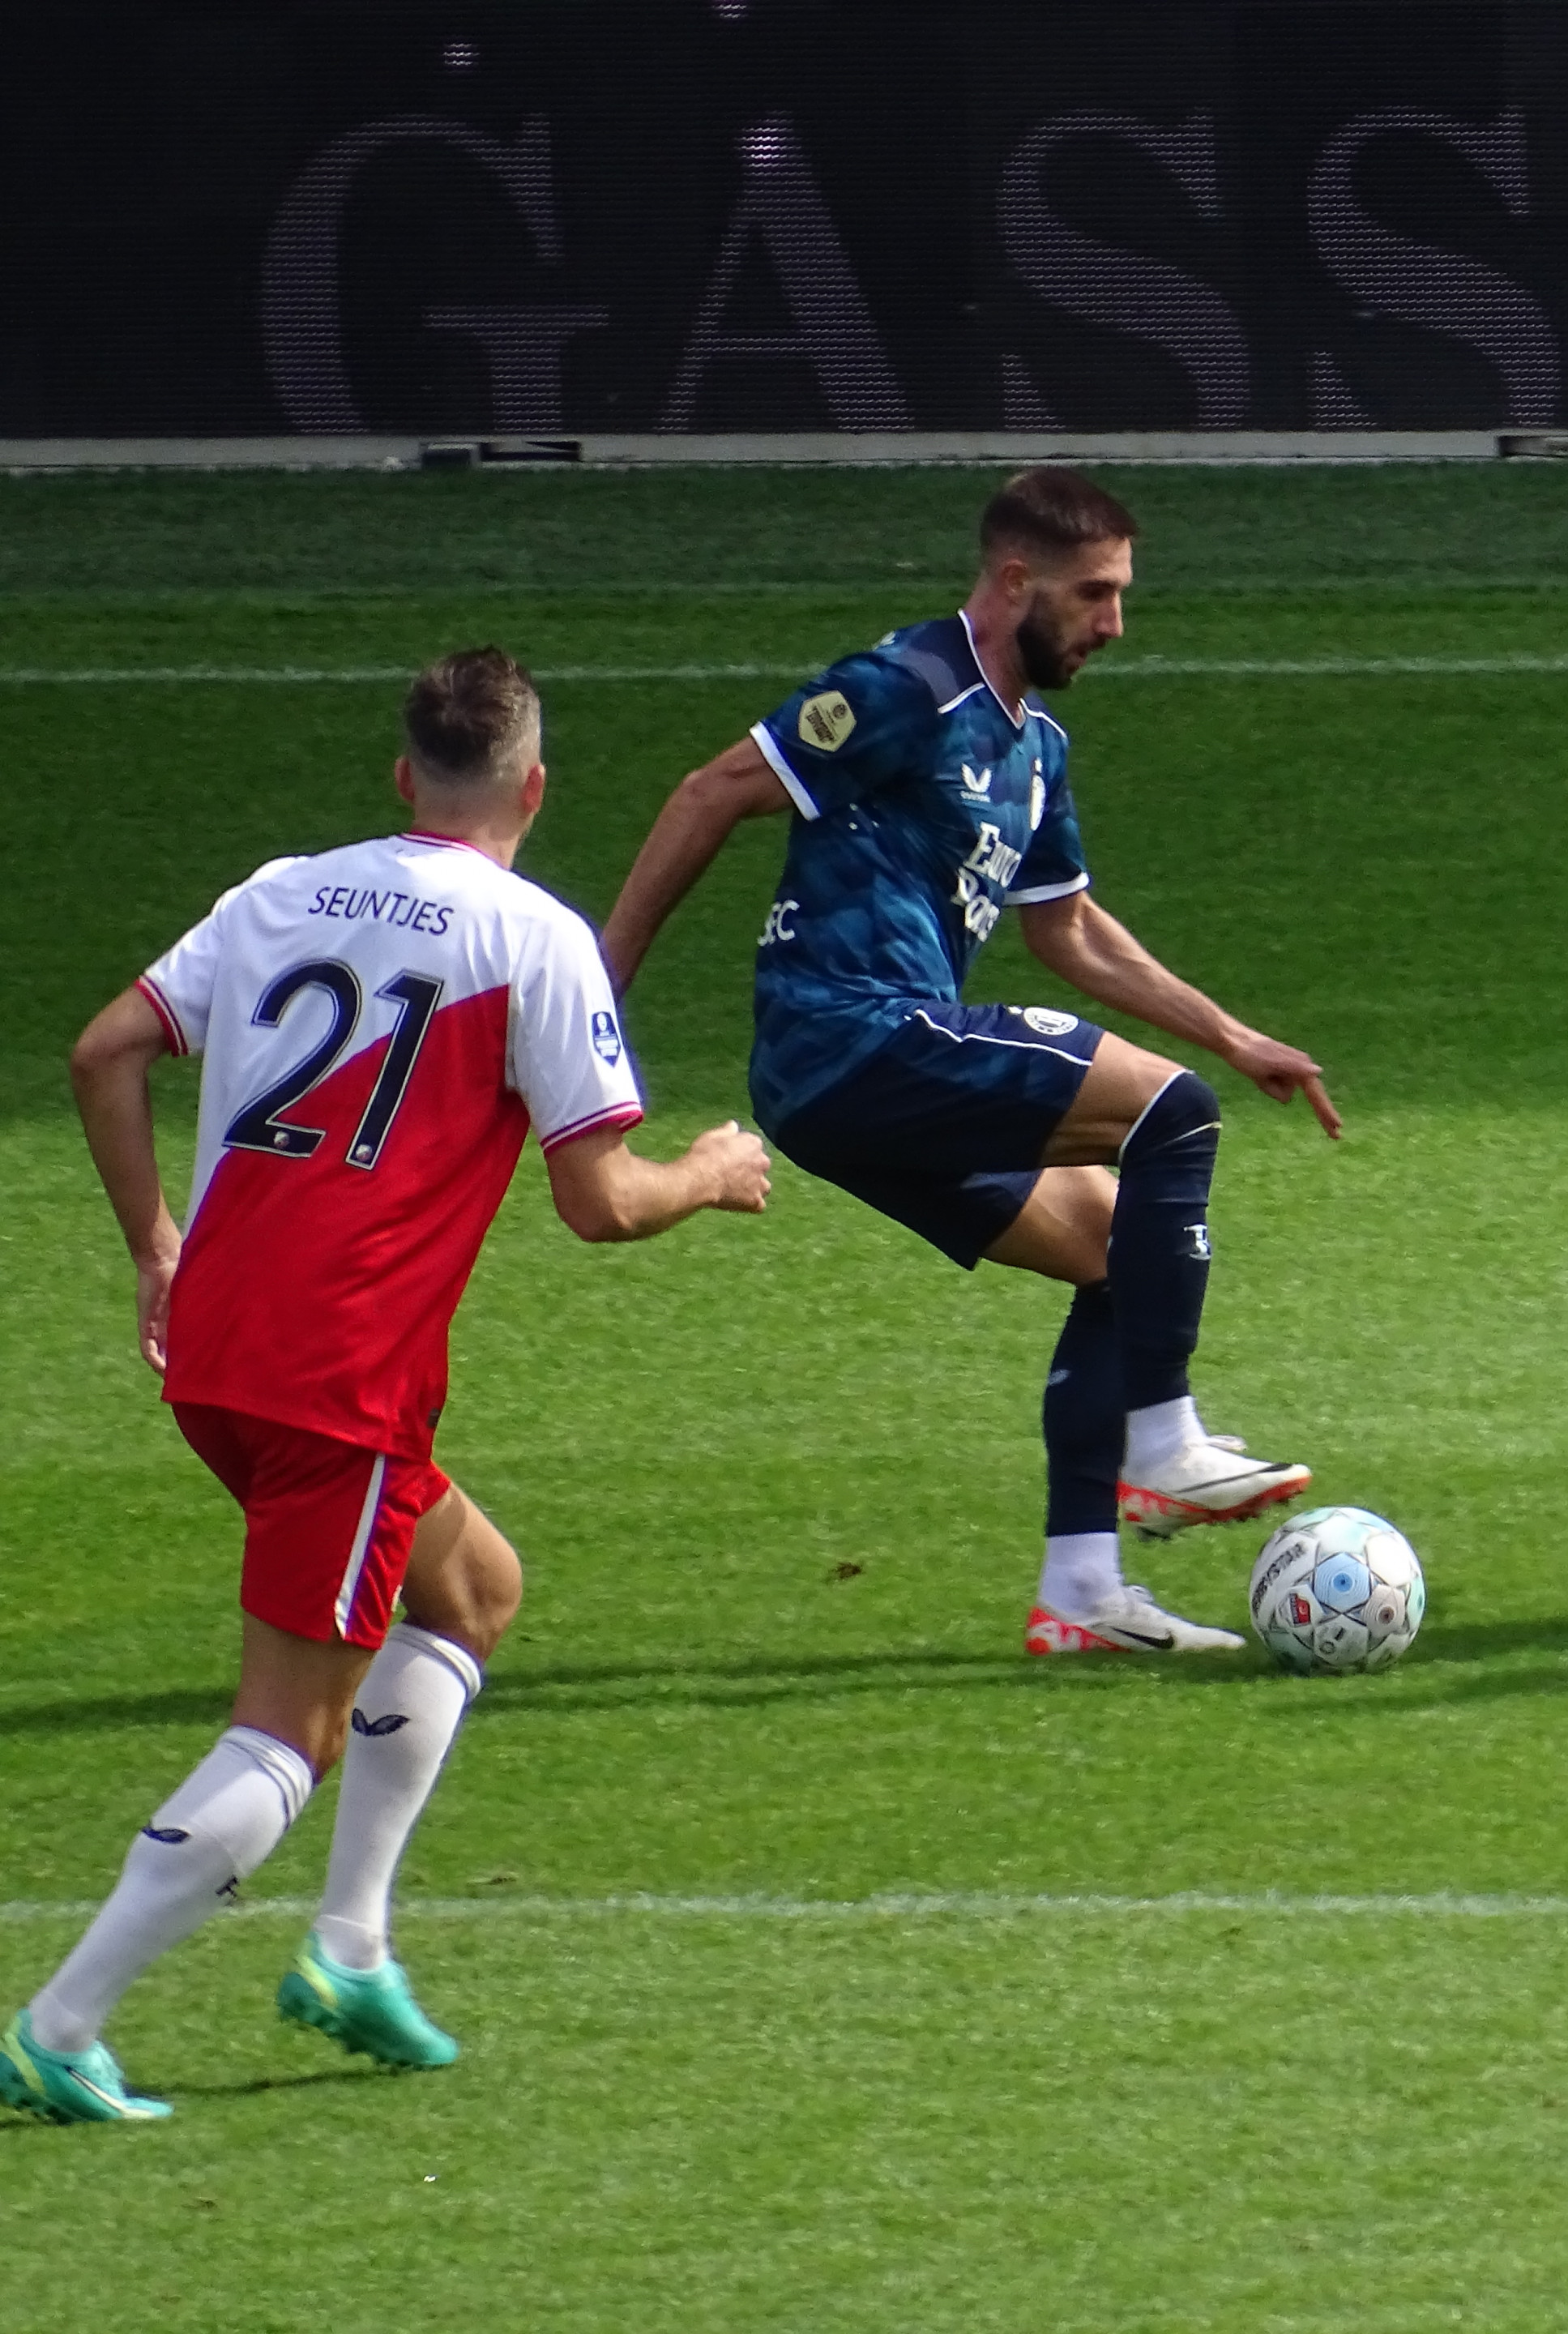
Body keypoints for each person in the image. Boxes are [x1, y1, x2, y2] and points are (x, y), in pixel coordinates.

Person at [6, 650, 771, 2125]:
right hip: (335, 1377)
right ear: (534, 790)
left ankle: (350, 1950)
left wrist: (156, 1247)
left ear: (403, 779)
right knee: (283, 1729)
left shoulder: (281, 887)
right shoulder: (534, 939)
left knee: (473, 1591)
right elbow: (601, 1202)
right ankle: (60, 2021)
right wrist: (712, 1175)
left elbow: (104, 1049)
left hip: (222, 1348)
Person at [599, 468, 1337, 1658]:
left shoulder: (1035, 744)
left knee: (1110, 1247)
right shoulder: (903, 687)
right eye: (1094, 594)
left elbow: (1072, 931)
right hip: (849, 1032)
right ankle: (1164, 1439)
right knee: (1173, 1118)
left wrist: (1235, 1033)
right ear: (1012, 581)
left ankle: (1085, 1592)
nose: (1113, 623)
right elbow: (712, 792)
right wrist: (603, 985)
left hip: (874, 1078)